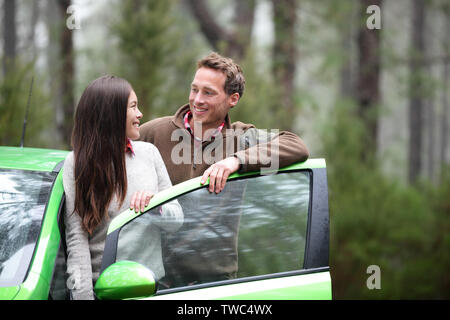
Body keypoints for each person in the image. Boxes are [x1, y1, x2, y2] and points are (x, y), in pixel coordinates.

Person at [138, 52, 309, 287]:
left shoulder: (242, 138)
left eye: (208, 92)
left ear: (233, 99)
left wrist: (236, 160)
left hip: (217, 280)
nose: (197, 99)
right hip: (159, 276)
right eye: (194, 89)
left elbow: (296, 144)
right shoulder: (154, 132)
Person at [62, 75, 183, 300]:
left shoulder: (149, 153)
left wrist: (155, 207)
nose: (140, 115)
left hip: (154, 289)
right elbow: (77, 238)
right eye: (133, 107)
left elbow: (177, 220)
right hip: (106, 292)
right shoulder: (76, 163)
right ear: (112, 113)